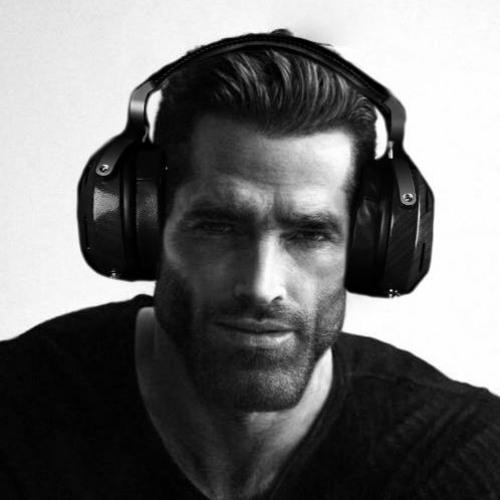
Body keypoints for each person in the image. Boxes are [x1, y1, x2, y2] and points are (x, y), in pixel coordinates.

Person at [1, 30, 500, 500]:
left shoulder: (463, 458)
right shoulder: (16, 410)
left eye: (310, 234)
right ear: (143, 226)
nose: (262, 286)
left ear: (372, 248)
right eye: (218, 226)